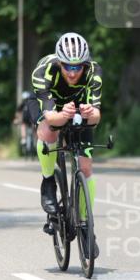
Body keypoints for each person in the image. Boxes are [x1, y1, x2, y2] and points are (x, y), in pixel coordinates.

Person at [31, 32, 103, 257]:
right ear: (59, 63)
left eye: (77, 67)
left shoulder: (94, 72)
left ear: (85, 64)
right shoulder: (43, 72)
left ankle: (85, 225)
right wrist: (63, 115)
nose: (72, 72)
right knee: (48, 132)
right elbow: (52, 119)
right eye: (67, 67)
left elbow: (96, 117)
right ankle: (48, 182)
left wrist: (90, 112)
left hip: (78, 105)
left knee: (86, 166)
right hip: (51, 106)